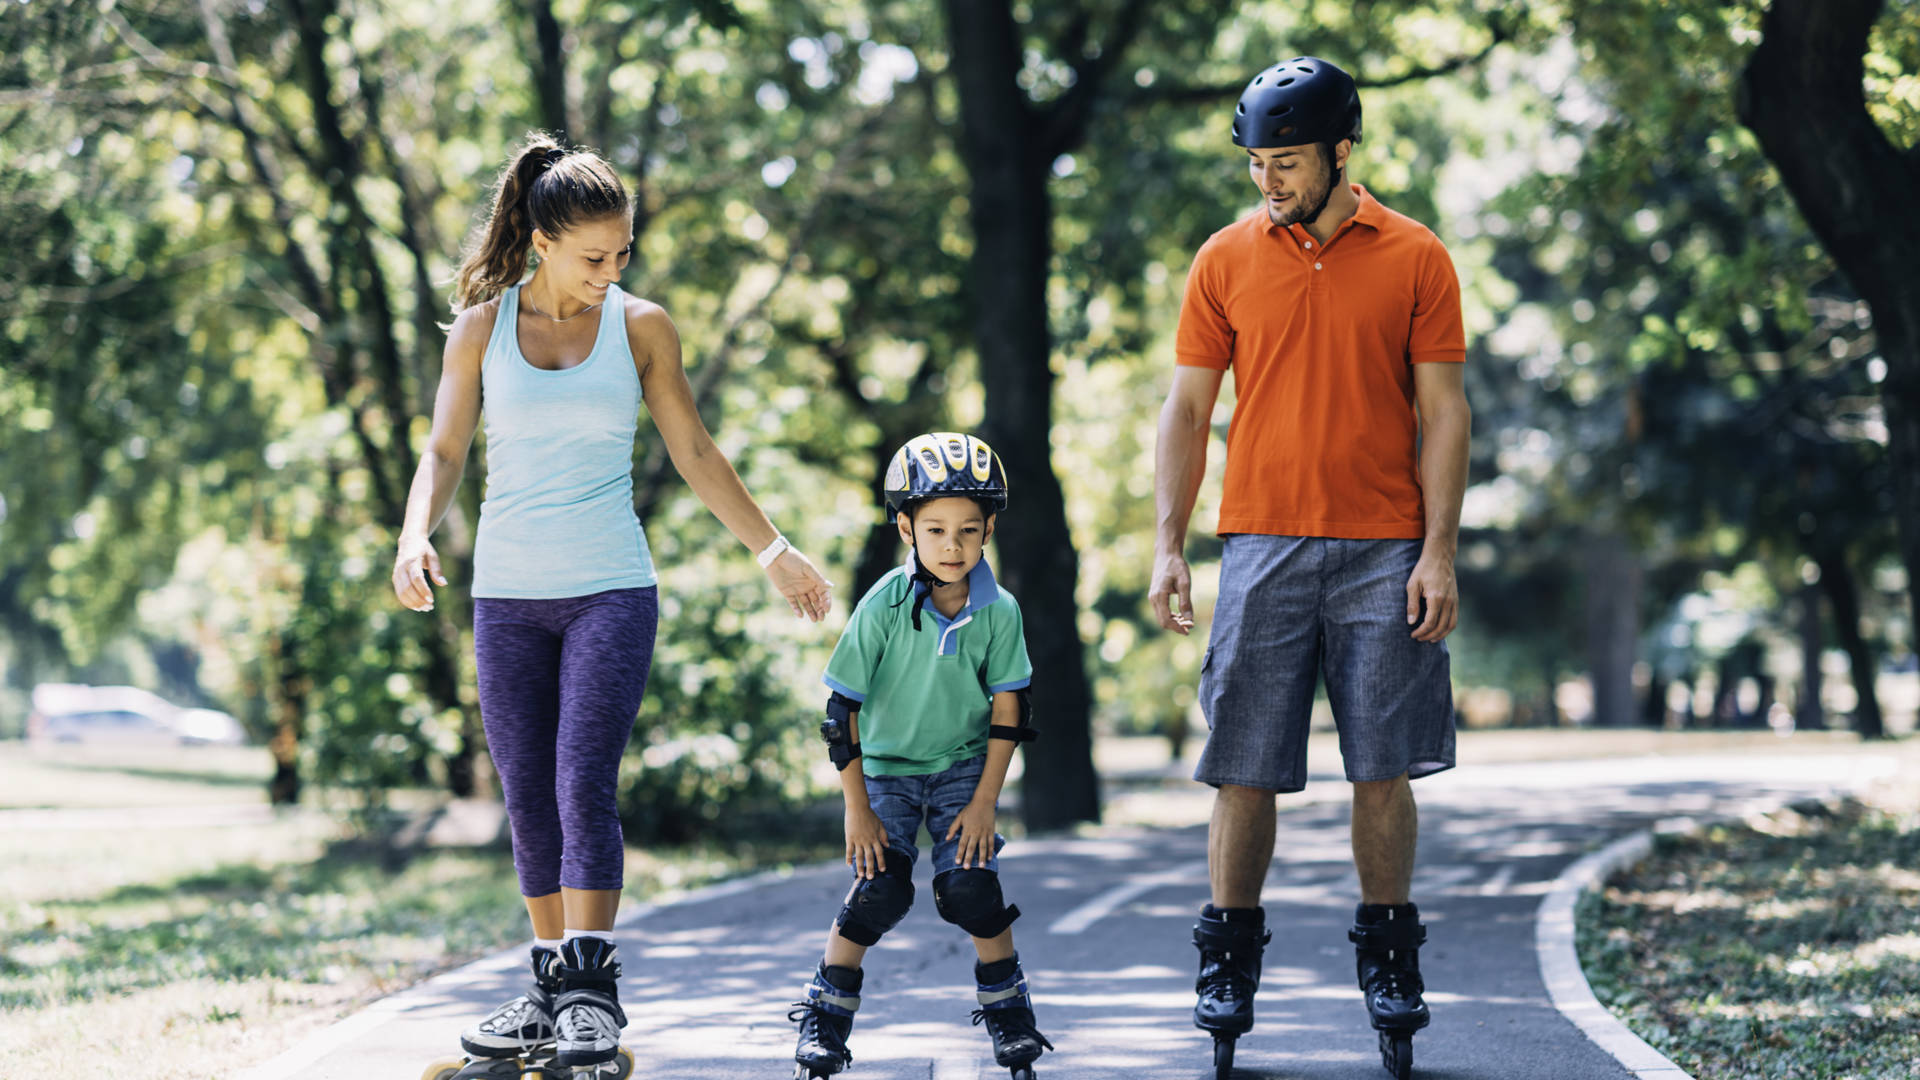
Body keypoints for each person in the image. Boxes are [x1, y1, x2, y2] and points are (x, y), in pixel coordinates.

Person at [390, 132, 833, 1072]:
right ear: (543, 241)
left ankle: (591, 990)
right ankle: (550, 985)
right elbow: (443, 450)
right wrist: (413, 532)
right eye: (594, 256)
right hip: (508, 595)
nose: (611, 271)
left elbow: (695, 450)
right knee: (527, 797)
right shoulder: (479, 331)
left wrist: (774, 550)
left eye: (622, 253)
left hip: (610, 590)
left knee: (581, 781)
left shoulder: (641, 328)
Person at [1145, 57, 1471, 1079]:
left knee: (1383, 764)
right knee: (1243, 766)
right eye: (1256, 162)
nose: (1267, 180)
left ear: (1341, 151)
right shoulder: (1223, 259)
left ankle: (1390, 962)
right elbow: (1188, 409)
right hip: (1261, 543)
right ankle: (1227, 962)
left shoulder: (1417, 256)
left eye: (1285, 162)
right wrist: (1168, 544)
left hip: (1386, 548)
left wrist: (1439, 552)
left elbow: (1445, 412)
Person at [788, 433, 1053, 1080]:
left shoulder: (1000, 611)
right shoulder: (882, 605)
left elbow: (1009, 711)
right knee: (878, 891)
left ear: (989, 530)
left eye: (968, 530)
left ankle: (1010, 1014)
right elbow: (841, 712)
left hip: (963, 767)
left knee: (971, 888)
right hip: (885, 770)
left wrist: (986, 803)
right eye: (935, 530)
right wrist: (858, 810)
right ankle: (824, 1019)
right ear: (906, 528)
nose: (952, 546)